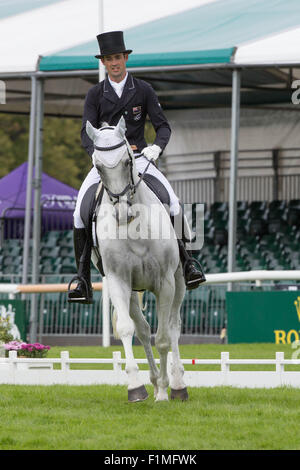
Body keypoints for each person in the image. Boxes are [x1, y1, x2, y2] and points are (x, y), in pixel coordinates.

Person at [68, 31, 205, 304]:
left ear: (125, 58)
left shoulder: (143, 89)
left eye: (117, 57)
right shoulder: (95, 94)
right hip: (106, 163)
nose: (114, 63)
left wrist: (156, 147)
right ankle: (82, 278)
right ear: (104, 62)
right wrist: (98, 155)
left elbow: (163, 126)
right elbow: (86, 132)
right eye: (109, 59)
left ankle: (188, 262)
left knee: (174, 203)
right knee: (79, 214)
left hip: (140, 158)